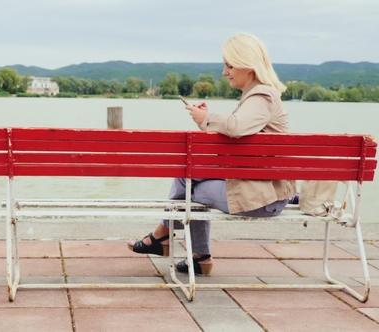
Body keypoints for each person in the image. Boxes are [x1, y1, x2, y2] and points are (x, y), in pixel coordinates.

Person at [127, 33, 297, 276]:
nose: (224, 72)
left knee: (187, 188)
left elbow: (236, 127)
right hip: (260, 189)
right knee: (186, 178)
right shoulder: (259, 96)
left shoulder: (262, 95)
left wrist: (207, 119)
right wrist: (207, 122)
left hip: (261, 197)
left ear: (248, 66)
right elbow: (240, 138)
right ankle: (188, 251)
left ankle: (168, 239)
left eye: (229, 65)